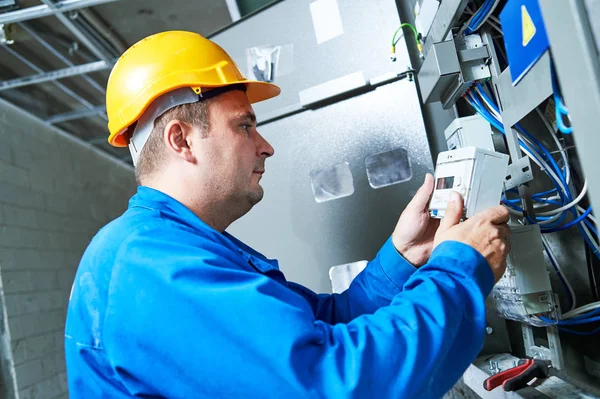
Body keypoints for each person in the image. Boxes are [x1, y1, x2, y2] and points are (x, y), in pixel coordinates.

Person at [65, 31, 511, 398]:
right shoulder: (149, 266)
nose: (266, 146)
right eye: (244, 124)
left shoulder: (178, 246)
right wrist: (460, 268)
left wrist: (403, 254)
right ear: (182, 140)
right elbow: (332, 383)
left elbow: (325, 325)